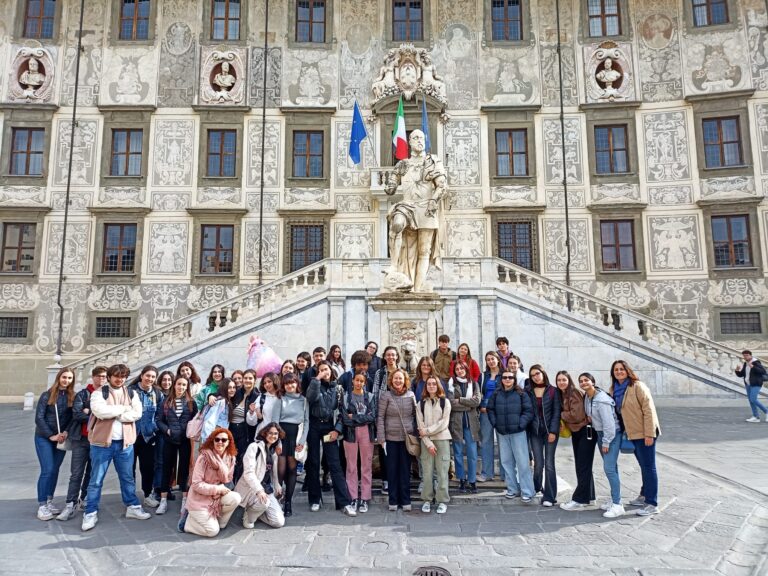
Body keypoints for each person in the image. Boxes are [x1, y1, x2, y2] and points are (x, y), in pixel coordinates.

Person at [82, 363, 151, 532]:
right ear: (110, 377)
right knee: (96, 480)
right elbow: (100, 411)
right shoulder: (99, 393)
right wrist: (123, 409)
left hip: (125, 443)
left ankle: (132, 506)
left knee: (127, 477)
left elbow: (137, 413)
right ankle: (90, 512)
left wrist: (116, 413)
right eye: (116, 376)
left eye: (123, 377)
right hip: (101, 443)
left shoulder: (132, 393)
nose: (120, 379)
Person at [384, 128, 447, 293]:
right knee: (397, 224)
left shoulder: (433, 161)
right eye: (416, 138)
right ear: (409, 142)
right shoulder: (402, 164)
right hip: (408, 205)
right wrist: (390, 186)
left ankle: (417, 289)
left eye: (422, 138)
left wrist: (434, 201)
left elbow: (442, 185)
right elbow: (391, 187)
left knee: (424, 250)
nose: (420, 141)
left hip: (426, 208)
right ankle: (393, 265)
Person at [610, 360, 661, 516]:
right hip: (632, 433)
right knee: (643, 465)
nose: (619, 372)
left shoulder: (637, 386)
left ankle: (652, 503)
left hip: (644, 433)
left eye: (622, 369)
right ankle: (644, 495)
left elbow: (649, 410)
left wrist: (649, 434)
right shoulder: (614, 389)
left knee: (649, 467)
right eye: (616, 370)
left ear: (627, 371)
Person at [305, 361, 357, 515]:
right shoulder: (314, 384)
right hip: (314, 426)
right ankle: (315, 499)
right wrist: (316, 380)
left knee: (335, 464)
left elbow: (342, 412)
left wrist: (337, 430)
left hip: (329, 428)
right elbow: (310, 398)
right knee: (313, 462)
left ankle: (344, 502)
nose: (324, 372)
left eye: (326, 369)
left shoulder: (338, 388)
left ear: (331, 370)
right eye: (320, 370)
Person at [57, 366, 107, 521]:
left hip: (98, 440)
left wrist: (89, 411)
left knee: (92, 473)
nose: (101, 379)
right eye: (99, 376)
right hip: (81, 439)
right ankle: (70, 504)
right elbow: (77, 415)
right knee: (76, 473)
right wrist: (98, 414)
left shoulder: (107, 394)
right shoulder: (83, 394)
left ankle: (84, 498)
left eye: (104, 376)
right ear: (93, 377)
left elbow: (109, 415)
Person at [179, 427, 242, 536]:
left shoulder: (230, 458)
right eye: (217, 439)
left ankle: (220, 523)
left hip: (216, 497)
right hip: (199, 499)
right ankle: (187, 524)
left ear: (228, 442)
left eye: (224, 440)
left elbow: (229, 479)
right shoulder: (204, 457)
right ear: (212, 441)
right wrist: (217, 489)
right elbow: (196, 484)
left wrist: (222, 488)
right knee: (212, 531)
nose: (220, 442)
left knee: (236, 498)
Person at [580, 372, 624, 518]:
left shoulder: (602, 399)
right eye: (581, 381)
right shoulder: (588, 397)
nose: (583, 383)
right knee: (612, 468)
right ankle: (615, 498)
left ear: (593, 382)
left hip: (611, 435)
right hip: (600, 434)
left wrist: (606, 441)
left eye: (586, 380)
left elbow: (609, 424)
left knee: (609, 469)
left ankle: (618, 505)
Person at [487, 368, 535, 502]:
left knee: (523, 463)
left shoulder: (521, 394)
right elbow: (490, 409)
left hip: (518, 433)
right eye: (505, 377)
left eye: (510, 377)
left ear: (514, 380)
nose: (507, 379)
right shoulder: (496, 394)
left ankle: (527, 491)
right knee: (507, 463)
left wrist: (521, 424)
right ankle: (512, 489)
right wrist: (495, 423)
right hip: (502, 433)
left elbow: (528, 411)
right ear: (501, 380)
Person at [35, 367, 75, 521]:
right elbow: (39, 418)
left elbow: (73, 418)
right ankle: (42, 505)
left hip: (61, 438)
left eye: (69, 378)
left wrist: (65, 432)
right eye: (64, 377)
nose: (66, 380)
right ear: (59, 377)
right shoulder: (47, 395)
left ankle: (49, 500)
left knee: (55, 470)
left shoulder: (72, 396)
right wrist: (51, 435)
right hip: (44, 437)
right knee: (48, 469)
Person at [155, 375, 198, 515]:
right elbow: (159, 420)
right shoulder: (166, 401)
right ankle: (163, 501)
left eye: (184, 385)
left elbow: (195, 419)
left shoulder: (191, 403)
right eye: (179, 384)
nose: (181, 387)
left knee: (184, 469)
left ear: (187, 387)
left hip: (185, 440)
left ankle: (185, 500)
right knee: (167, 468)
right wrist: (166, 430)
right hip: (169, 440)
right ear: (174, 385)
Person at [377, 368, 417, 511]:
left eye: (400, 378)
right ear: (391, 380)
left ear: (405, 380)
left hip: (406, 439)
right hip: (390, 439)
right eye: (395, 378)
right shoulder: (386, 396)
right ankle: (393, 500)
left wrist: (416, 433)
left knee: (405, 471)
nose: (398, 381)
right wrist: (381, 438)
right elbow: (380, 417)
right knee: (392, 471)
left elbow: (416, 415)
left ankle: (405, 500)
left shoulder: (411, 395)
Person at [557, 371, 597, 512]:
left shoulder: (573, 393)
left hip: (585, 431)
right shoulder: (564, 394)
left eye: (564, 379)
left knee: (582, 466)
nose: (561, 382)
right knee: (584, 465)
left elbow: (577, 415)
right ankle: (590, 497)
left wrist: (561, 415)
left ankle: (579, 499)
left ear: (569, 381)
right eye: (559, 380)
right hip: (578, 432)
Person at [524, 364, 561, 506]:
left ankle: (549, 496)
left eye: (537, 373)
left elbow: (556, 413)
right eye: (532, 375)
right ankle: (536, 487)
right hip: (535, 432)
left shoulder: (553, 391)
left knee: (549, 464)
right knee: (538, 463)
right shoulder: (528, 391)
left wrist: (553, 431)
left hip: (549, 432)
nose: (535, 377)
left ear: (543, 373)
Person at [236, 423, 285, 529]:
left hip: (266, 489)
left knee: (279, 522)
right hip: (252, 488)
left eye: (276, 434)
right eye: (270, 433)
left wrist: (277, 485)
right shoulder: (254, 447)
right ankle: (249, 517)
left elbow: (273, 473)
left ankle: (258, 512)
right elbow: (248, 473)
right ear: (264, 433)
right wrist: (259, 490)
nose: (273, 436)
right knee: (264, 503)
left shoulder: (273, 451)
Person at [341, 372, 377, 513]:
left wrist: (355, 417)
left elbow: (372, 417)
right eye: (357, 380)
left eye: (362, 381)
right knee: (351, 466)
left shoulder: (370, 397)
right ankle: (353, 497)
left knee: (366, 466)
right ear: (353, 381)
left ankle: (365, 498)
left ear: (365, 383)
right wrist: (362, 418)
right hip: (350, 433)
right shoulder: (346, 397)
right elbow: (345, 419)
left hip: (366, 432)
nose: (359, 383)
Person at [128, 365, 163, 509]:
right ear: (141, 375)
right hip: (131, 435)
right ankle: (130, 498)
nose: (150, 379)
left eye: (153, 377)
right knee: (129, 469)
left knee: (147, 468)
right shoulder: (130, 391)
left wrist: (154, 427)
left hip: (148, 437)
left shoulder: (157, 393)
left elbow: (160, 413)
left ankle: (148, 495)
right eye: (148, 375)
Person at [416, 376, 452, 514]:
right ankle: (427, 499)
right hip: (426, 442)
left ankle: (442, 500)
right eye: (429, 384)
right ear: (426, 387)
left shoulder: (445, 402)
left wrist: (427, 431)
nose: (431, 386)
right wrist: (428, 442)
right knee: (427, 472)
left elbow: (444, 423)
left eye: (434, 384)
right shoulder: (421, 404)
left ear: (438, 386)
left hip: (442, 440)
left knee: (442, 472)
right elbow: (420, 424)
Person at [275, 373, 309, 517]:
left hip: (296, 437)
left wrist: (302, 441)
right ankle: (277, 499)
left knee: (292, 470)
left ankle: (288, 502)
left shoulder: (304, 400)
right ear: (284, 385)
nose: (290, 386)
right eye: (287, 383)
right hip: (282, 436)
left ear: (297, 384)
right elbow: (275, 422)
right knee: (280, 470)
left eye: (292, 383)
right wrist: (277, 441)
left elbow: (306, 421)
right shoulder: (280, 399)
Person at [447, 361, 481, 494]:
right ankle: (461, 479)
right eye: (457, 369)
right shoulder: (451, 384)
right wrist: (468, 405)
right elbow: (451, 403)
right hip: (457, 423)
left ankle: (472, 480)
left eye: (462, 368)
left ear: (466, 369)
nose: (460, 371)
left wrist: (460, 400)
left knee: (472, 453)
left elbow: (477, 401)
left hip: (471, 423)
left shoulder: (474, 383)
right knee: (458, 453)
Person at [229, 369, 260, 482]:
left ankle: (239, 483)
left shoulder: (257, 396)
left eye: (250, 378)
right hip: (231, 430)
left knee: (242, 458)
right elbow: (222, 393)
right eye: (245, 378)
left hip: (245, 432)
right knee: (230, 458)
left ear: (255, 380)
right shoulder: (237, 392)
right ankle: (230, 482)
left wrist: (253, 412)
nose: (247, 380)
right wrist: (211, 396)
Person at [478, 351, 502, 483]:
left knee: (503, 443)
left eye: (492, 359)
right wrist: (481, 406)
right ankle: (487, 473)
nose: (491, 361)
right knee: (486, 442)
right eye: (488, 359)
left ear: (498, 359)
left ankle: (505, 475)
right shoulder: (483, 376)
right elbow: (478, 393)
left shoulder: (504, 375)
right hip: (485, 411)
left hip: (500, 411)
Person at [735, 350, 768, 422]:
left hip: (756, 383)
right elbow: (741, 375)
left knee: (753, 399)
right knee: (751, 401)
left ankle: (766, 411)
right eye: (744, 355)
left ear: (750, 355)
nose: (745, 357)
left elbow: (763, 371)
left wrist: (753, 367)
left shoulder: (756, 362)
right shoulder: (745, 363)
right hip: (748, 384)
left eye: (747, 355)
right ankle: (756, 417)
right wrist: (737, 370)